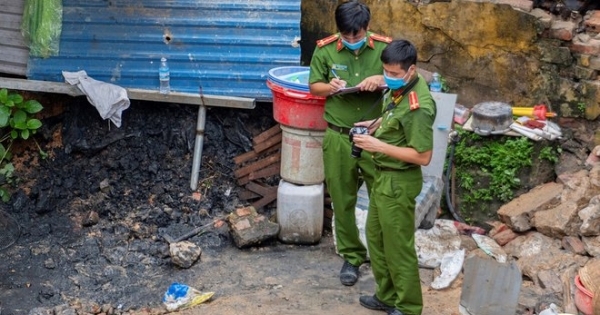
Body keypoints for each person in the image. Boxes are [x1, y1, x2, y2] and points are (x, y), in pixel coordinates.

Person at [308, 0, 391, 287]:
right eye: (347, 35)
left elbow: (404, 79)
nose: (352, 40)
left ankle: (382, 256)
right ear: (339, 30)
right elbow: (313, 86)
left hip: (375, 137)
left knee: (381, 199)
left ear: (367, 28)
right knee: (343, 199)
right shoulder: (325, 48)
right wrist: (329, 87)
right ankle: (352, 256)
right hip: (338, 135)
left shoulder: (384, 48)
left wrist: (381, 79)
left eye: (357, 35)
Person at [351, 39, 435, 315]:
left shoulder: (419, 106)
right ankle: (387, 296)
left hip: (399, 182)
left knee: (399, 247)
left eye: (394, 74)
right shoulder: (399, 89)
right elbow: (393, 120)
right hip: (382, 178)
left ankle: (409, 307)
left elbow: (423, 156)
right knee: (375, 238)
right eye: (385, 71)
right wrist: (373, 127)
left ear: (412, 70)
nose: (388, 78)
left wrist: (379, 147)